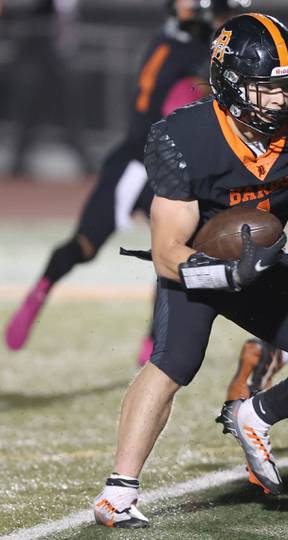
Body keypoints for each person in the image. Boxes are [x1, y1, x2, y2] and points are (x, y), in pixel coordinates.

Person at [92, 12, 288, 528]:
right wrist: (222, 276)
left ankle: (255, 414)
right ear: (232, 85)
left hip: (261, 264)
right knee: (175, 362)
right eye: (268, 89)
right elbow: (167, 251)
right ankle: (118, 491)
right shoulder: (183, 137)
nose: (284, 101)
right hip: (194, 267)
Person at [4, 0, 240, 363]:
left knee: (172, 251)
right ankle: (40, 290)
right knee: (86, 244)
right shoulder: (188, 48)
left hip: (173, 165)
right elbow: (176, 105)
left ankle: (152, 340)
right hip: (139, 162)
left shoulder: (193, 43)